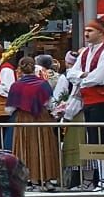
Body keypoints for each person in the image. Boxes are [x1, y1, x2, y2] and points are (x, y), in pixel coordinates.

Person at [68, 19, 104, 190]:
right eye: (85, 30)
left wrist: (82, 78)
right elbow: (70, 73)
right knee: (94, 140)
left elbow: (101, 78)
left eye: (90, 30)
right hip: (90, 100)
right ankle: (103, 179)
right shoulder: (85, 52)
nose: (86, 34)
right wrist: (84, 76)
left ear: (101, 32)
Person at [6, 55, 62, 189]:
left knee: (24, 147)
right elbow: (49, 103)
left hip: (23, 118)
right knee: (44, 146)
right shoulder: (43, 84)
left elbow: (10, 108)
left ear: (20, 69)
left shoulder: (16, 85)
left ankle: (29, 179)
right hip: (41, 117)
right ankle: (47, 178)